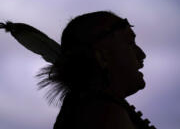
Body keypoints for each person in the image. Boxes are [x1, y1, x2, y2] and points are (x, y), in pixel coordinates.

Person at [0, 11, 152, 129]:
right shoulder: (102, 116)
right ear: (102, 57)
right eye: (129, 43)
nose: (141, 54)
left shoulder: (88, 109)